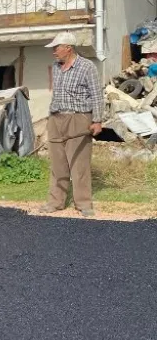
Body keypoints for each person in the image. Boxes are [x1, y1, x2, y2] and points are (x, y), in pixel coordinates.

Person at [40, 32, 104, 217]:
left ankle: (83, 204)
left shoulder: (87, 67)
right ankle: (55, 202)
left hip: (78, 118)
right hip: (56, 118)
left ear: (68, 48)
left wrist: (97, 120)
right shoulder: (56, 66)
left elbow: (97, 95)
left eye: (56, 48)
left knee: (79, 164)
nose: (54, 52)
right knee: (58, 163)